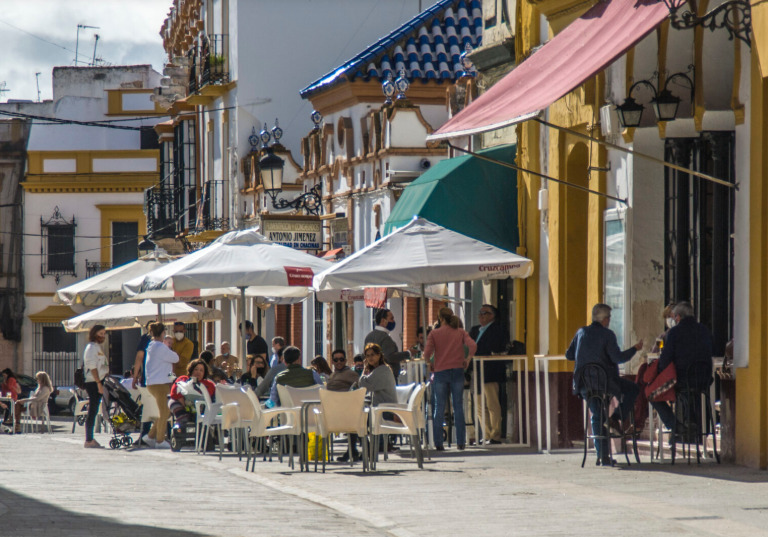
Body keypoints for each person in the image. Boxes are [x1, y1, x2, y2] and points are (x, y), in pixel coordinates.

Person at [566, 303, 643, 465]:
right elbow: (618, 358)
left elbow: (569, 355)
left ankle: (603, 456)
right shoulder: (608, 335)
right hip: (606, 384)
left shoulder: (581, 332)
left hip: (585, 384)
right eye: (609, 318)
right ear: (605, 319)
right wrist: (635, 349)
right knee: (633, 388)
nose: (609, 321)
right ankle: (615, 418)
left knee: (597, 416)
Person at [650, 301, 714, 433]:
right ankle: (696, 425)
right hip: (704, 379)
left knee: (651, 393)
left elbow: (664, 359)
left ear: (677, 317)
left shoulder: (673, 333)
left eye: (672, 317)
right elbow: (712, 351)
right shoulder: (704, 330)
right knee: (693, 395)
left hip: (682, 380)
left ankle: (675, 426)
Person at [424, 307, 477, 451]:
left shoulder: (434, 333)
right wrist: (468, 358)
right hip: (458, 371)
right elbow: (473, 345)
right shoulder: (460, 332)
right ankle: (461, 442)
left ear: (440, 318)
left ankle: (438, 442)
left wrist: (429, 364)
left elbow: (426, 353)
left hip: (440, 371)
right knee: (458, 406)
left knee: (439, 408)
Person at [468, 304, 507, 445]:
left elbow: (498, 346)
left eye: (485, 312)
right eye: (480, 312)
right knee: (479, 405)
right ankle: (486, 434)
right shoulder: (474, 330)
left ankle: (495, 435)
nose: (481, 315)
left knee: (492, 404)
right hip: (476, 371)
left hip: (490, 371)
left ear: (493, 316)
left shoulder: (498, 329)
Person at [143, 322, 179, 449]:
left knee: (163, 412)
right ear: (163, 333)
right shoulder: (161, 347)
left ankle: (150, 436)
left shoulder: (151, 345)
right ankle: (159, 440)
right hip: (161, 383)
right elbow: (176, 358)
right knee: (165, 411)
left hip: (152, 383)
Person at [82, 325, 110, 448]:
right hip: (93, 382)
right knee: (92, 410)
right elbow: (92, 367)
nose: (102, 336)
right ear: (94, 334)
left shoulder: (98, 347)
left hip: (98, 381)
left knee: (94, 409)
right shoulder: (91, 348)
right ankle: (89, 439)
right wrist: (99, 383)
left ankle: (90, 438)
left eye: (104, 334)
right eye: (100, 333)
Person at [364, 308, 409, 382]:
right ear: (383, 321)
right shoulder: (385, 337)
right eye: (391, 319)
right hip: (387, 378)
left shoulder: (369, 336)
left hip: (372, 376)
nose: (393, 321)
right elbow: (390, 356)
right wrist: (408, 353)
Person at [169, 358, 216, 428]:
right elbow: (174, 392)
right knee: (172, 402)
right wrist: (184, 404)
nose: (198, 372)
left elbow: (211, 398)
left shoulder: (209, 384)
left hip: (202, 408)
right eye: (196, 369)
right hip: (183, 406)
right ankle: (183, 424)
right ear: (191, 370)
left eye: (201, 370)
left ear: (204, 373)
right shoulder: (183, 379)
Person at [131, 320, 154, 390]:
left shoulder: (145, 338)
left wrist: (135, 377)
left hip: (148, 378)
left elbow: (139, 358)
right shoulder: (164, 340)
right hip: (161, 379)